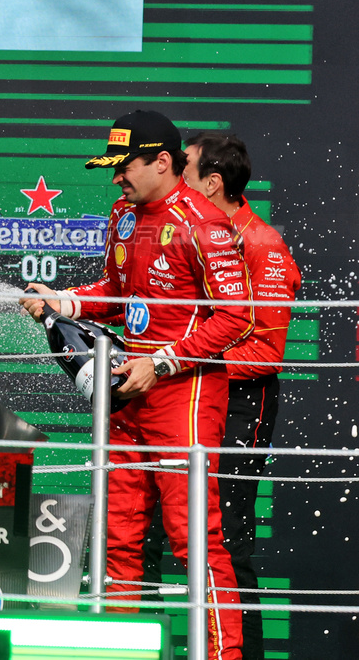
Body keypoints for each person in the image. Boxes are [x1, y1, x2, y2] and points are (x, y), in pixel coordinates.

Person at [20, 110, 253, 660]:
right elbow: (117, 290)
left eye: (125, 167)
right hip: (128, 387)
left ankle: (223, 655)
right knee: (118, 533)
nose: (117, 178)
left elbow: (237, 318)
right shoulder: (123, 215)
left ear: (163, 162)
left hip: (185, 394)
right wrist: (64, 302)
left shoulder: (204, 223)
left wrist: (165, 363)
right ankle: (121, 651)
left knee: (192, 536)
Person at [175, 132, 298, 659]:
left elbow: (265, 354)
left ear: (212, 182)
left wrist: (176, 362)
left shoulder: (263, 244)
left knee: (227, 536)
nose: (175, 182)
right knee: (176, 528)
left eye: (185, 171)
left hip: (241, 400)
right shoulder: (188, 230)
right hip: (191, 390)